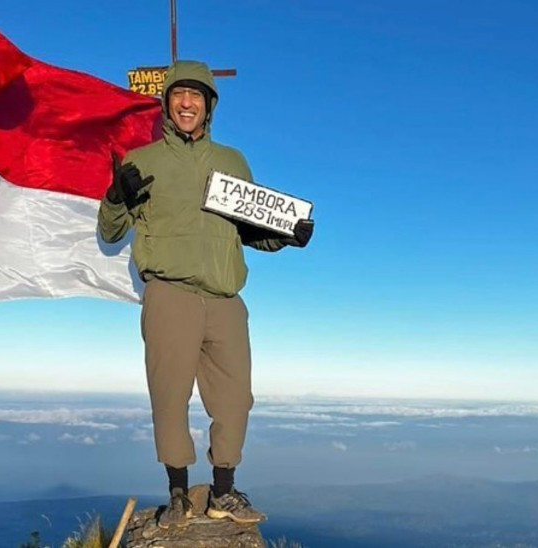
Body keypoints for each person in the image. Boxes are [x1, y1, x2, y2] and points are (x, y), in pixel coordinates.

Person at [98, 60, 313, 529]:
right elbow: (111, 232)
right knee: (169, 398)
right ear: (167, 102)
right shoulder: (142, 160)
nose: (187, 103)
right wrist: (117, 196)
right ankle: (177, 492)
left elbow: (250, 231)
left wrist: (286, 233)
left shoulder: (233, 162)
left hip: (225, 298)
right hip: (169, 294)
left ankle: (223, 492)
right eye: (179, 95)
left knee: (236, 399)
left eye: (197, 96)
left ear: (210, 105)